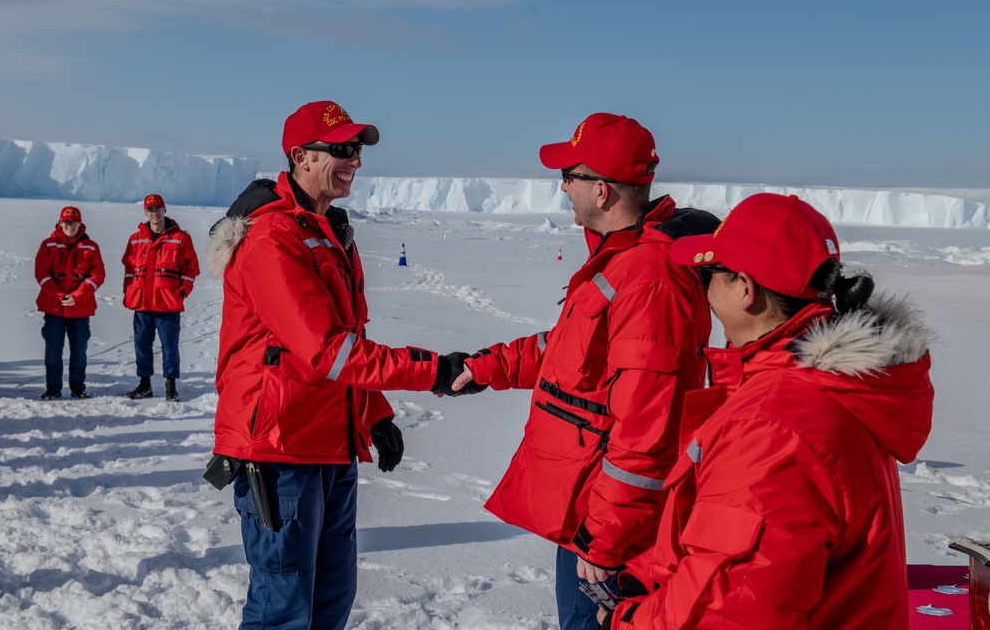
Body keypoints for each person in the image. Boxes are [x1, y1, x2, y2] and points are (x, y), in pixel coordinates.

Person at [598, 193, 935, 629]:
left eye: (708, 275)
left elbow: (733, 611)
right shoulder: (832, 385)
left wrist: (626, 624)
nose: (705, 291)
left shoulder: (773, 428)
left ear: (745, 289)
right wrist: (650, 573)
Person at [439, 113, 719, 630]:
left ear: (603, 191)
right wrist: (486, 367)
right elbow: (569, 348)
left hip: (613, 530)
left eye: (569, 176)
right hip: (587, 509)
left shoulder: (650, 279)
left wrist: (605, 538)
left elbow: (646, 429)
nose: (563, 187)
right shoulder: (622, 260)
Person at [207, 100, 457, 630]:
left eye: (358, 150)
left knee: (330, 598)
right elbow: (328, 351)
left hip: (331, 440)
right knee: (284, 605)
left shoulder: (324, 229)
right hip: (280, 445)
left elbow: (348, 341)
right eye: (342, 150)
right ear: (300, 157)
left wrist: (375, 414)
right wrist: (433, 371)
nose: (355, 161)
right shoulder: (272, 238)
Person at [121, 194, 200, 401]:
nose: (154, 213)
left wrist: (182, 292)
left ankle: (171, 385)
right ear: (145, 212)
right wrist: (129, 290)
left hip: (167, 304)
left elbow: (191, 269)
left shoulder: (181, 238)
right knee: (141, 344)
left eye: (158, 208)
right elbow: (129, 269)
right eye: (150, 209)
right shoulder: (135, 239)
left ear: (164, 210)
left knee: (169, 346)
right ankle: (144, 384)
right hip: (142, 302)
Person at [34, 205, 106, 400]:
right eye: (66, 222)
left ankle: (78, 388)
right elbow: (42, 273)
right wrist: (59, 296)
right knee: (53, 353)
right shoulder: (48, 245)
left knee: (79, 353)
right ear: (60, 223)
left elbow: (97, 274)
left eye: (73, 222)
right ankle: (53, 389)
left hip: (80, 309)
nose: (69, 226)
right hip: (54, 308)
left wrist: (77, 295)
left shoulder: (91, 247)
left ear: (80, 224)